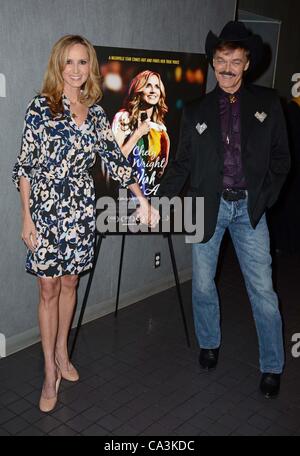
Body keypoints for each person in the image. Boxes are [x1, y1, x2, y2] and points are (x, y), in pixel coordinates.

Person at [12, 35, 158, 413]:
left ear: (89, 67)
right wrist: (26, 216)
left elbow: (115, 160)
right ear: (58, 65)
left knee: (70, 282)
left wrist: (142, 199)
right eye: (69, 62)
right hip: (45, 209)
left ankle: (62, 352)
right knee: (47, 289)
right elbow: (25, 166)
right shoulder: (39, 108)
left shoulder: (94, 113)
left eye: (82, 63)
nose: (76, 70)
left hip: (79, 209)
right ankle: (48, 371)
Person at [158, 22, 290, 398]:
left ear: (247, 63)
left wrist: (264, 199)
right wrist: (156, 200)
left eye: (235, 60)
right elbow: (181, 164)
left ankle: (272, 364)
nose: (228, 68)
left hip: (250, 210)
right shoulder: (195, 110)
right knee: (201, 285)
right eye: (221, 61)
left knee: (263, 291)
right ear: (213, 63)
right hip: (204, 209)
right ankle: (209, 343)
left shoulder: (268, 103)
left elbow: (282, 159)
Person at [112, 70, 170, 197]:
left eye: (157, 87)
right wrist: (137, 134)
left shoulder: (160, 129)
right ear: (138, 89)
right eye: (148, 86)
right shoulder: (123, 118)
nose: (153, 91)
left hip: (151, 199)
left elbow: (160, 171)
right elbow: (113, 161)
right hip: (125, 198)